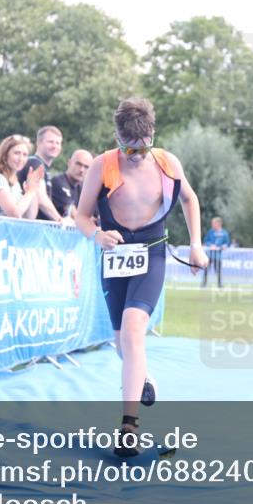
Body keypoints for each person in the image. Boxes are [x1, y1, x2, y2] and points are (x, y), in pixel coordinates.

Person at [75, 98, 207, 457]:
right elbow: (82, 215)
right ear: (116, 136)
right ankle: (142, 379)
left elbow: (190, 200)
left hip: (151, 252)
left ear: (153, 135)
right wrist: (97, 236)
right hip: (115, 255)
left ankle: (128, 427)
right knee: (123, 344)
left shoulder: (167, 163)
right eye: (127, 147)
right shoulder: (102, 166)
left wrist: (196, 244)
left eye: (141, 146)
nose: (134, 154)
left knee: (134, 332)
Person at [0, 135, 42, 218]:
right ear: (5, 155)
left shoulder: (15, 183)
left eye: (25, 155)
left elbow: (29, 217)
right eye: (17, 153)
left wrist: (32, 190)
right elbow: (14, 214)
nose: (21, 159)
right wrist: (30, 192)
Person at [17, 126, 65, 221]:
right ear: (39, 143)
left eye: (58, 143)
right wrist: (60, 219)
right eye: (50, 142)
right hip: (30, 226)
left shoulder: (43, 167)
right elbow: (41, 198)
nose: (54, 146)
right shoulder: (34, 163)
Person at [50, 149, 93, 218]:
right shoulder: (58, 182)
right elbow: (74, 215)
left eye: (86, 167)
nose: (82, 170)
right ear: (69, 163)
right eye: (78, 164)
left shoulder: (83, 188)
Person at [202, 216, 231, 288]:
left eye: (213, 223)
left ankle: (220, 285)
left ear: (219, 224)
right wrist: (211, 245)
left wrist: (225, 246)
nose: (212, 225)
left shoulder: (224, 233)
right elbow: (206, 241)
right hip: (209, 255)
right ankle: (204, 284)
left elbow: (227, 243)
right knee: (206, 270)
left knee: (218, 271)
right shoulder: (210, 232)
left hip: (218, 256)